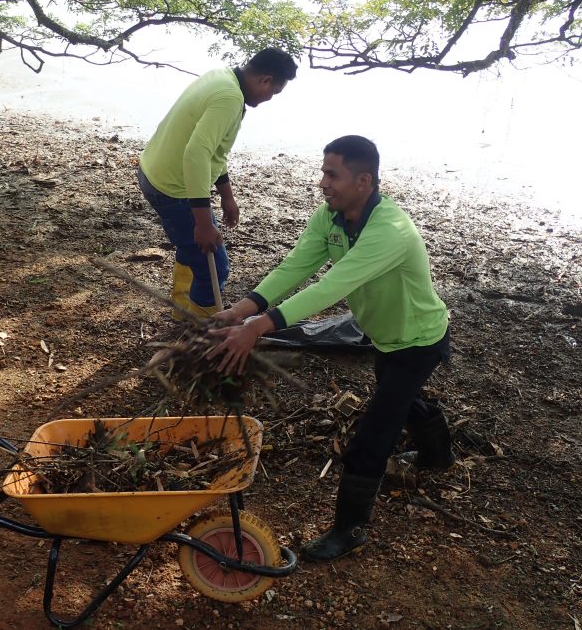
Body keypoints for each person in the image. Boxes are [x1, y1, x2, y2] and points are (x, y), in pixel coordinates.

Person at [209, 135, 456, 561]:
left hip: (419, 341)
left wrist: (259, 328)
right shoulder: (331, 217)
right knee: (400, 399)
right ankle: (439, 455)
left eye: (332, 174)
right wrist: (240, 310)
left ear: (363, 181)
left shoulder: (390, 230)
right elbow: (297, 265)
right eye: (323, 172)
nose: (322, 183)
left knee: (373, 436)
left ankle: (350, 529)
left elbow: (332, 286)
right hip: (386, 338)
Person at [138, 48, 297, 318]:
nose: (270, 99)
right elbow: (197, 153)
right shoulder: (229, 97)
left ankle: (181, 309)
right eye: (274, 93)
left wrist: (227, 195)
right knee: (215, 265)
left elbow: (214, 150)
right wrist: (202, 223)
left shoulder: (222, 76)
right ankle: (201, 331)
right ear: (266, 80)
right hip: (172, 187)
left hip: (152, 171)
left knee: (191, 248)